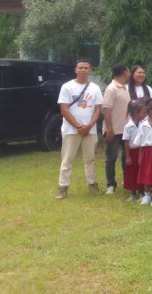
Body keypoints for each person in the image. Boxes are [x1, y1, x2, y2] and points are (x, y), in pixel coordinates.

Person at [55, 59, 103, 200]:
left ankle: (92, 184)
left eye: (86, 68)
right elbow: (64, 109)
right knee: (67, 159)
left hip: (90, 130)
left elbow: (97, 109)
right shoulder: (67, 87)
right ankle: (63, 188)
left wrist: (89, 125)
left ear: (90, 70)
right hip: (71, 130)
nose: (83, 70)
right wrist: (78, 126)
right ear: (75, 70)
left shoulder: (95, 88)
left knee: (90, 159)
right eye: (80, 67)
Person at [102, 63, 131, 195]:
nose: (129, 74)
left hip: (125, 130)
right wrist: (109, 129)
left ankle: (128, 181)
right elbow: (106, 110)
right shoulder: (111, 88)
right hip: (113, 130)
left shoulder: (125, 88)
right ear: (124, 72)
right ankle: (111, 184)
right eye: (128, 71)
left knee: (127, 156)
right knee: (111, 157)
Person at [122, 100, 148, 202]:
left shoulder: (144, 124)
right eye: (143, 112)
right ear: (136, 113)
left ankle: (142, 191)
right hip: (132, 152)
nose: (145, 114)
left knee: (141, 171)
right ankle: (133, 192)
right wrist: (128, 156)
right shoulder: (128, 126)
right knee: (132, 172)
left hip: (142, 150)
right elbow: (126, 142)